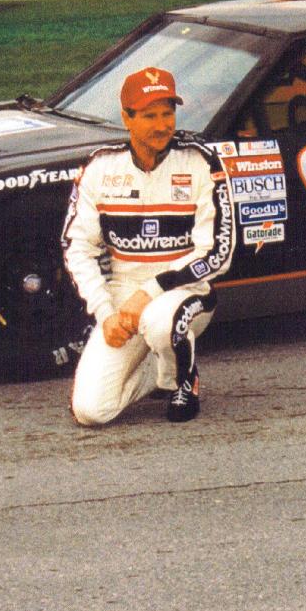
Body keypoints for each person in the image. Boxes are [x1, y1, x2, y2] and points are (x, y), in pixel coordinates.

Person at [63, 67, 235, 425]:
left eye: (167, 114)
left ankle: (181, 381)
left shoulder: (200, 162)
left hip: (184, 290)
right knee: (91, 412)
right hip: (122, 294)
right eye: (149, 116)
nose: (162, 125)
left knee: (160, 322)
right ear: (127, 118)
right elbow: (78, 248)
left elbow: (218, 252)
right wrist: (105, 313)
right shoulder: (100, 166)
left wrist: (151, 290)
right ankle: (154, 372)